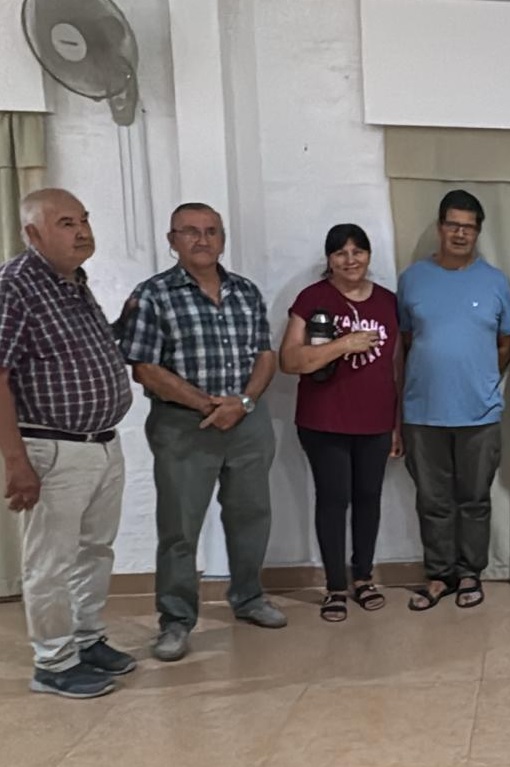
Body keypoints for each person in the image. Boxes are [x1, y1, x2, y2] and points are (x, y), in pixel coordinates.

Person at [119, 202, 284, 663]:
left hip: (247, 422)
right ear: (172, 240)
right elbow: (145, 368)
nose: (202, 239)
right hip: (183, 426)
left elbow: (265, 356)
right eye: (190, 231)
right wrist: (206, 405)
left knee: (251, 516)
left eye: (211, 231)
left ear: (222, 238)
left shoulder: (245, 291)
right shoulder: (153, 295)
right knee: (180, 528)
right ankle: (176, 619)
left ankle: (249, 598)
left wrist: (244, 403)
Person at [0, 189, 134, 698]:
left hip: (101, 443)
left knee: (94, 550)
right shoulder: (16, 286)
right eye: (64, 223)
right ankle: (54, 662)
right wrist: (16, 462)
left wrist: (126, 320)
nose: (81, 230)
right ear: (33, 234)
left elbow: (84, 354)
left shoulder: (72, 283)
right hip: (52, 450)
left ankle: (87, 637)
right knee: (50, 562)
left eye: (83, 219)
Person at [397, 190, 510, 611]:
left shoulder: (495, 281)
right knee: (433, 500)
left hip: (479, 412)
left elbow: (506, 343)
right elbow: (408, 341)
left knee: (474, 499)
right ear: (440, 227)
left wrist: (482, 378)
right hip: (422, 412)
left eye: (469, 226)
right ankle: (439, 575)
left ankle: (470, 574)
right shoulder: (412, 279)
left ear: (478, 232)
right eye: (453, 224)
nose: (461, 233)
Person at [279, 223, 402, 622]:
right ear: (329, 260)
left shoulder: (387, 301)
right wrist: (344, 344)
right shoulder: (312, 298)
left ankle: (363, 577)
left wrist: (396, 424)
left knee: (369, 500)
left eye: (358, 251)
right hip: (324, 420)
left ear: (368, 255)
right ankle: (335, 586)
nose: (350, 260)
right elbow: (290, 360)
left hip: (377, 419)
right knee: (333, 501)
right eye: (340, 253)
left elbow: (396, 366)